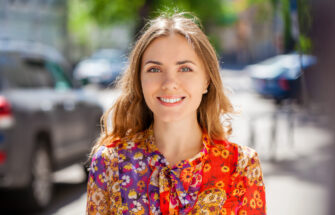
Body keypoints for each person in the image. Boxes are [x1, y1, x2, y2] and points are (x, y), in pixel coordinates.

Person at [86, 12, 266, 215]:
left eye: (185, 69)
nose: (169, 83)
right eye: (154, 69)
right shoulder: (109, 163)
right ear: (140, 81)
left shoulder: (241, 166)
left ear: (206, 80)